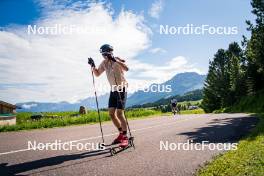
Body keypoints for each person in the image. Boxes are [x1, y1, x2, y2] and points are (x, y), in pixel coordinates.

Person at [88, 44, 129, 147]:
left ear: (110, 52)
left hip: (121, 89)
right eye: (102, 55)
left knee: (119, 113)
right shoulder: (104, 63)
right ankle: (121, 133)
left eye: (105, 54)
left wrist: (116, 60)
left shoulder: (116, 60)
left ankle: (125, 138)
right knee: (111, 113)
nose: (104, 56)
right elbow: (97, 74)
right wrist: (93, 65)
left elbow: (127, 68)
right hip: (113, 90)